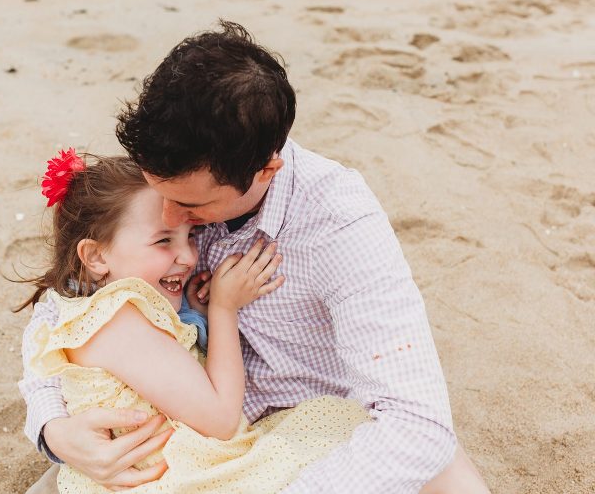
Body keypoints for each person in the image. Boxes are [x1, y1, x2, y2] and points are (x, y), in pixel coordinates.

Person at [19, 22, 490, 493]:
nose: (169, 215)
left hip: (311, 428)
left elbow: (415, 424)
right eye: (160, 192)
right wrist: (52, 430)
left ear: (266, 169)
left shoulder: (340, 224)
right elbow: (68, 304)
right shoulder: (169, 166)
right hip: (180, 435)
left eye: (191, 209)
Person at [20, 150, 372, 493]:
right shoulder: (115, 319)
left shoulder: (99, 308)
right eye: (163, 240)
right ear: (96, 256)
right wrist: (223, 309)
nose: (189, 256)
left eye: (190, 236)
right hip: (175, 475)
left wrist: (194, 317)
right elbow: (220, 420)